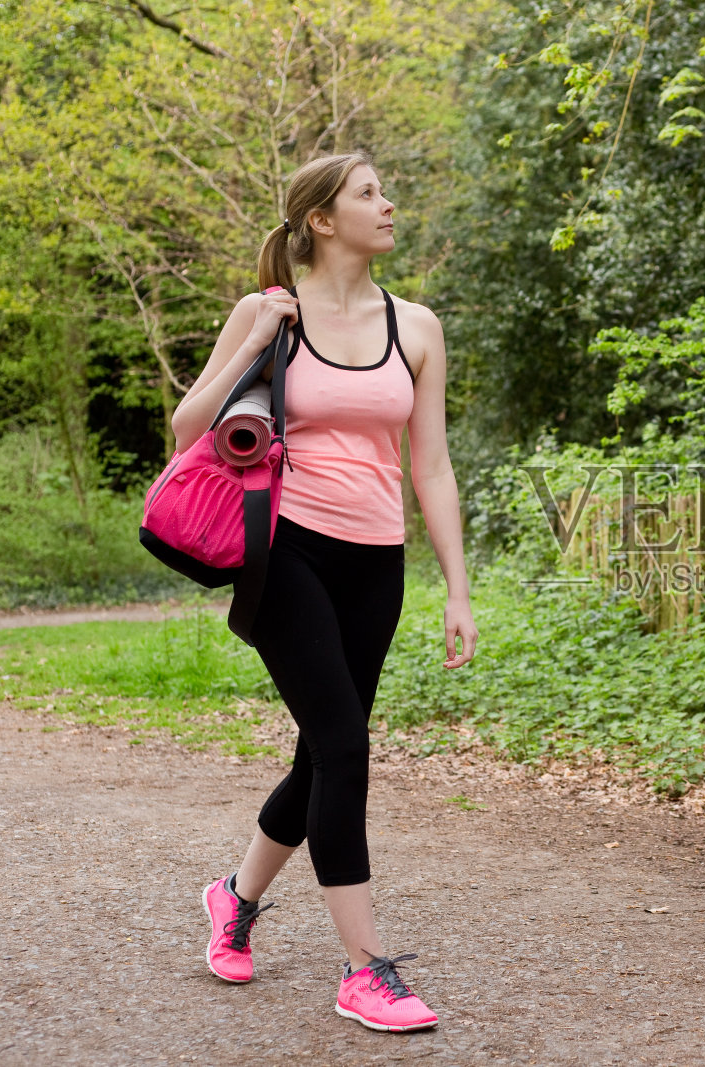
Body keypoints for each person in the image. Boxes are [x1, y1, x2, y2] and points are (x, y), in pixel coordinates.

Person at [167, 151, 478, 1033]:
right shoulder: (271, 312)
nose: (389, 204)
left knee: (320, 755)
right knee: (344, 746)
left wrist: (457, 588)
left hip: (377, 563)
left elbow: (432, 467)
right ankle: (363, 970)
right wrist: (254, 340)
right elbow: (187, 428)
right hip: (286, 552)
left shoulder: (417, 327)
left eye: (384, 192)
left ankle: (234, 897)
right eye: (369, 193)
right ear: (322, 219)